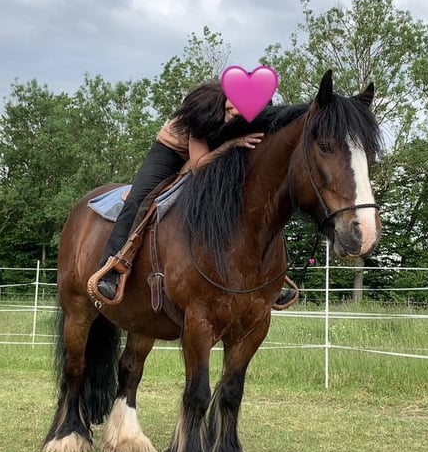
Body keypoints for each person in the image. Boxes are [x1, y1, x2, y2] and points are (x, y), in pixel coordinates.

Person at [95, 80, 297, 308]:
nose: (232, 116)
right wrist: (231, 145)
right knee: (139, 199)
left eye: (239, 115)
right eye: (230, 111)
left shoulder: (257, 116)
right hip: (173, 152)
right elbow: (198, 164)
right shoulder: (204, 111)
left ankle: (270, 279)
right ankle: (111, 268)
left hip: (220, 150)